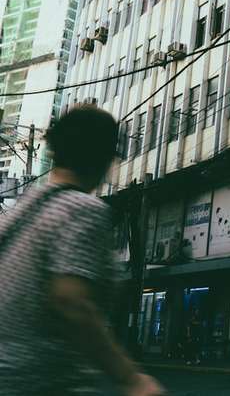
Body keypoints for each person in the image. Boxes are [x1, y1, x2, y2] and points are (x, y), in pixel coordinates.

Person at [0, 105, 164, 396]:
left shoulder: (20, 211)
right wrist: (130, 378)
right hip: (44, 382)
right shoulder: (81, 209)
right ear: (103, 159)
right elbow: (72, 301)